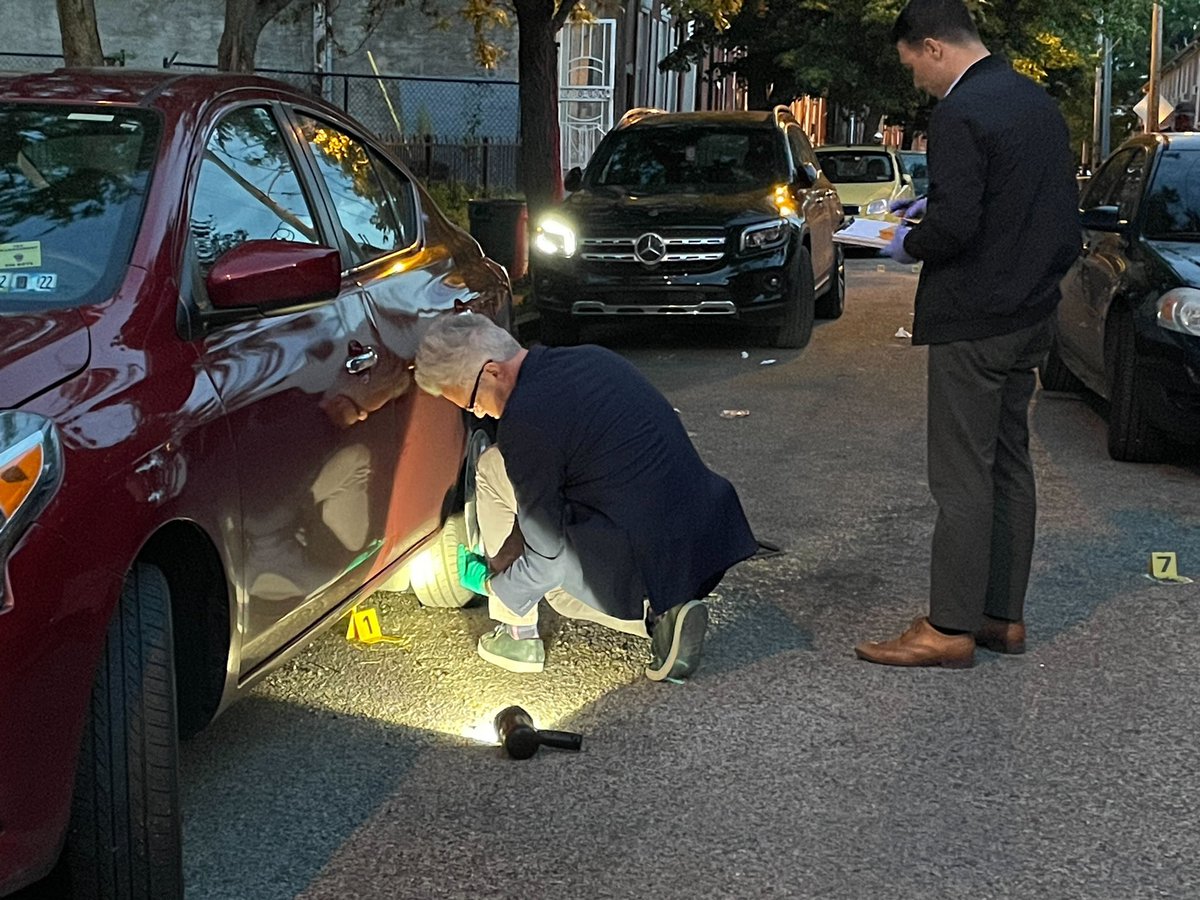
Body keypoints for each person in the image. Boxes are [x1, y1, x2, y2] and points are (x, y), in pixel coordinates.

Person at [855, 0, 1080, 668]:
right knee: (1010, 462)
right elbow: (1043, 214)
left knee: (961, 475)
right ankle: (1001, 617)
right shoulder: (1036, 104)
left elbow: (955, 228)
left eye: (912, 67)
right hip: (1030, 313)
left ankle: (948, 627)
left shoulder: (959, 112)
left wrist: (901, 236)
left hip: (974, 319)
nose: (916, 83)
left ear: (932, 47)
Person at [414, 313, 758, 680]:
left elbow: (548, 557)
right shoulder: (591, 358)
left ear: (494, 372)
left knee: (494, 476)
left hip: (642, 559)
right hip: (704, 536)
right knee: (506, 470)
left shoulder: (526, 421)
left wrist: (498, 587)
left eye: (471, 401)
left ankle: (519, 633)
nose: (478, 412)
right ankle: (668, 611)